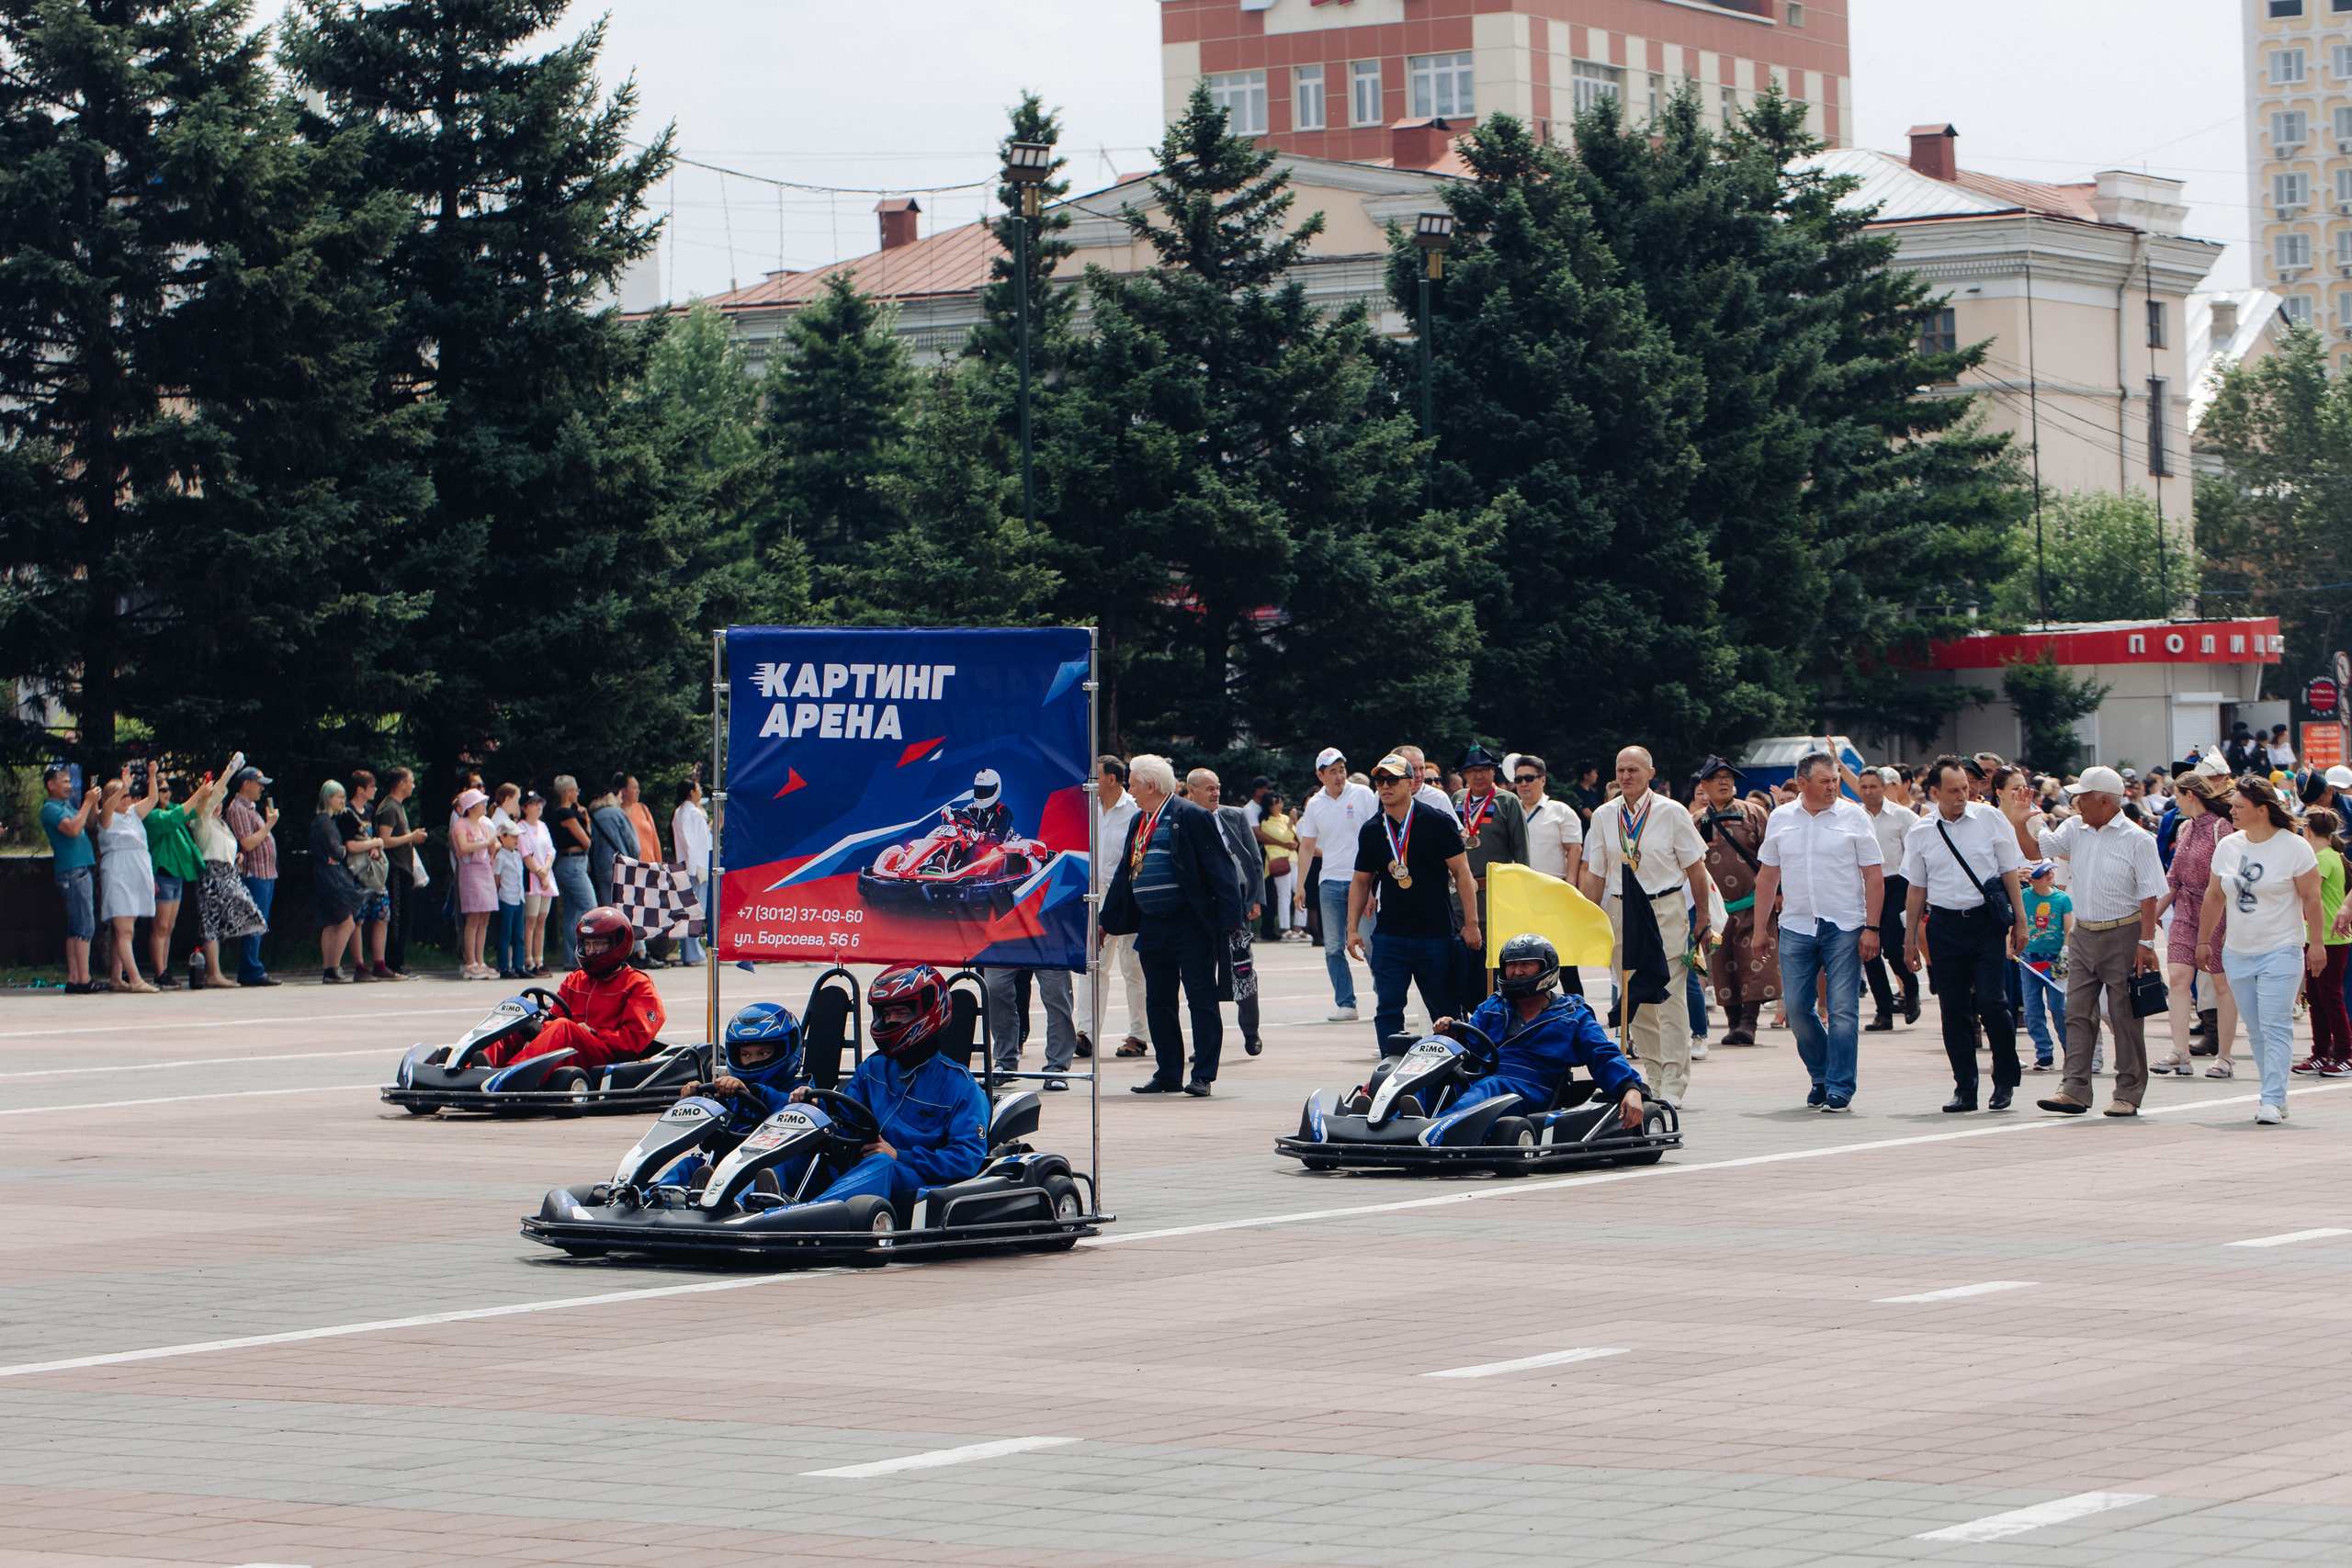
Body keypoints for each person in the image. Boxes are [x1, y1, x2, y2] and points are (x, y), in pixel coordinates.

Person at [781, 963, 989, 1212]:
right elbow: (844, 1117)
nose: (890, 1020)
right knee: (792, 1153)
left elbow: (967, 1157)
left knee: (881, 1164)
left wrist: (901, 1155)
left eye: (899, 1012)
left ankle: (811, 1214)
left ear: (928, 1011)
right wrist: (815, 1106)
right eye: (885, 1013)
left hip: (914, 1177)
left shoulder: (960, 1086)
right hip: (859, 1168)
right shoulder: (872, 1069)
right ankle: (747, 1207)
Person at [1099, 754, 1247, 1097]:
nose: (1130, 791)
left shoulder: (1191, 816)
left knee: (1200, 998)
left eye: (1133, 784)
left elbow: (1220, 868)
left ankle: (1203, 1075)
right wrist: (1107, 921)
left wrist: (1231, 920)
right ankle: (1167, 1073)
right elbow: (1124, 873)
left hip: (1190, 922)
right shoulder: (1140, 821)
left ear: (1150, 786)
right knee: (1158, 1000)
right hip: (1152, 924)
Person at [1749, 750, 1884, 1112]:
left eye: (1835, 780)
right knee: (1795, 1008)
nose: (1832, 787)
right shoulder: (1781, 818)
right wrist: (1760, 929)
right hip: (1796, 925)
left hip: (1845, 925)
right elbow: (1768, 876)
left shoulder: (1854, 817)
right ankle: (1821, 1075)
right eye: (1824, 781)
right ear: (1802, 783)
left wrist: (1872, 928)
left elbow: (1873, 875)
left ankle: (1839, 1086)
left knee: (1842, 1009)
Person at [2030, 766, 2165, 1118]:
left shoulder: (2138, 839)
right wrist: (2019, 818)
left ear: (2104, 801)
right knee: (2076, 1011)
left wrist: (2146, 943)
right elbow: (2037, 847)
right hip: (2084, 932)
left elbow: (2149, 895)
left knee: (2124, 1015)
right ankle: (2074, 1089)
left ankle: (2128, 1092)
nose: (2076, 803)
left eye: (2083, 797)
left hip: (2124, 933)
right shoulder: (2075, 828)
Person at [1580, 747, 1712, 1108]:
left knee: (1668, 993)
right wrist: (1588, 918)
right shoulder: (1604, 815)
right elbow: (1596, 873)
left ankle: (1674, 1081)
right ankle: (1653, 1076)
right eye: (1620, 770)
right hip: (1621, 909)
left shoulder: (1672, 812)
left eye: (1633, 770)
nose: (1626, 776)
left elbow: (1696, 868)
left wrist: (1702, 917)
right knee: (1634, 996)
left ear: (1650, 773)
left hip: (1664, 906)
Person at [1903, 756, 2030, 1114]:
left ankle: (2004, 1078)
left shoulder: (1990, 819)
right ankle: (1965, 1088)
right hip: (1944, 927)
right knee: (1954, 1009)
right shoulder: (1921, 831)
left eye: (1965, 788)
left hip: (1985, 923)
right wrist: (1909, 939)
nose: (1963, 796)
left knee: (1992, 1003)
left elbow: (2009, 872)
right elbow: (1916, 888)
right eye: (1954, 790)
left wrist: (2020, 921)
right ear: (1934, 792)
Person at [2195, 775, 2325, 1124]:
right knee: (2255, 1029)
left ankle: (2270, 1099)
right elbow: (2214, 895)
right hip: (2238, 951)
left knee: (2275, 1025)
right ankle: (2276, 1094)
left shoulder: (2294, 847)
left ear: (2262, 810)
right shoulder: (2228, 846)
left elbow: (2312, 898)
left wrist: (2316, 944)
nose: (2232, 812)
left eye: (2239, 806)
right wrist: (2204, 940)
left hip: (2282, 948)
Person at [1428, 933, 1647, 1130]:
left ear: (1546, 968)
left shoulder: (1572, 1015)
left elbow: (1603, 1053)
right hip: (1483, 1081)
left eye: (1526, 964)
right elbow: (1467, 1047)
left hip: (1533, 1089)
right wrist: (1451, 1036)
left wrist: (1630, 1088)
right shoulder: (1492, 1007)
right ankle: (1410, 1119)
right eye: (1511, 964)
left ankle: (1438, 1130)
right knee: (1434, 1072)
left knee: (1491, 1086)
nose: (1516, 971)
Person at [1350, 754, 1483, 1058]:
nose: (1385, 786)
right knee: (1388, 1008)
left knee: (1445, 1009)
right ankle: (1391, 1067)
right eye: (1380, 780)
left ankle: (1457, 1066)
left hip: (1435, 934)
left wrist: (1472, 924)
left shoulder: (1437, 822)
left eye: (1392, 779)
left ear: (1411, 783)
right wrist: (1352, 929)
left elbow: (1462, 873)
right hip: (1390, 935)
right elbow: (1360, 882)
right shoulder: (1372, 829)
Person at [481, 908, 668, 1069]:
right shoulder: (576, 979)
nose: (591, 951)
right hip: (572, 1050)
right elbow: (555, 1018)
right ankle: (478, 1065)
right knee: (518, 1019)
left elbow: (633, 1040)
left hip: (608, 1056)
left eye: (598, 944)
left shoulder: (638, 984)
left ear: (617, 942)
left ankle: (513, 1072)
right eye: (588, 944)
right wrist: (535, 1024)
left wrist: (593, 1033)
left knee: (564, 1027)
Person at [659, 1002, 809, 1190]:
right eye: (746, 1055)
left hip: (776, 1175)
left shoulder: (801, 1092)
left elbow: (801, 1109)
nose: (753, 1061)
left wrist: (755, 1092)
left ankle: (742, 1202)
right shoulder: (731, 1095)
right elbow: (687, 1136)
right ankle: (654, 1197)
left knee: (771, 1168)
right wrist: (695, 1101)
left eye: (763, 1053)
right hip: (731, 1169)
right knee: (690, 1165)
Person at [2154, 772, 2237, 1077]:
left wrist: (2232, 923)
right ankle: (2180, 1051)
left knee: (2221, 984)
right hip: (2185, 911)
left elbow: (2231, 879)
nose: (2175, 803)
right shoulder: (2184, 828)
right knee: (2178, 978)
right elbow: (2173, 879)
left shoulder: (2221, 827)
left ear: (2190, 795)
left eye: (2177, 796)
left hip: (2218, 913)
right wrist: (2147, 922)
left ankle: (2225, 1057)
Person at [1691, 756, 1776, 1044]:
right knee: (1722, 963)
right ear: (1704, 785)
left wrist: (1778, 892)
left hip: (1754, 902)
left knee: (1754, 962)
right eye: (1717, 778)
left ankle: (1749, 1024)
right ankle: (1733, 1024)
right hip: (1715, 907)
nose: (1724, 782)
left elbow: (1773, 857)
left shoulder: (1755, 813)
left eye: (1728, 777)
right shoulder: (1697, 821)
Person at [1295, 747, 1380, 1022]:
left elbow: (1377, 834)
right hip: (1329, 882)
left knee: (1369, 942)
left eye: (1342, 769)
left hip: (1362, 881)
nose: (1339, 776)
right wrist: (1300, 885)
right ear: (1320, 775)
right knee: (1333, 947)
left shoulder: (1363, 794)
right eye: (1332, 771)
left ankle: (1386, 997)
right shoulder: (1315, 804)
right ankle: (1346, 1004)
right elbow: (1307, 846)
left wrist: (1373, 885)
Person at [1192, 768, 1266, 1057]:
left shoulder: (1235, 816)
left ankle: (1251, 1032)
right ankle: (1207, 1045)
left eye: (1218, 787)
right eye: (1209, 788)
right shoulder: (1185, 819)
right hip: (1202, 908)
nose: (1216, 793)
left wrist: (1256, 900)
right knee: (1201, 977)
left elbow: (1254, 860)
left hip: (1236, 904)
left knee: (1243, 970)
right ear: (1192, 791)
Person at [1452, 744, 1530, 1002]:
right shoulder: (1457, 799)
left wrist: (1521, 898)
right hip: (1458, 896)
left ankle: (1497, 1012)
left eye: (1484, 769)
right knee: (1460, 961)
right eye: (1472, 770)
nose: (1478, 775)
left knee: (1493, 962)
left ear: (1493, 772)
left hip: (1493, 896)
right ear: (1464, 774)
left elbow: (1521, 852)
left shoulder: (1507, 801)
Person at [1083, 755, 1146, 1059]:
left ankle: (1138, 1035)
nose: (1090, 780)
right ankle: (1085, 1034)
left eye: (1095, 775)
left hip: (1128, 894)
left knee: (1134, 966)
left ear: (1111, 779)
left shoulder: (1135, 810)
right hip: (1095, 893)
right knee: (1092, 964)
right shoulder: (1088, 808)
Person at [1854, 766, 1920, 1031]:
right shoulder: (1854, 816)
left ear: (1884, 788)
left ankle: (1910, 991)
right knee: (1869, 952)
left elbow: (1916, 854)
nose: (1868, 791)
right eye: (1863, 787)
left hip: (1897, 885)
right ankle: (1883, 1012)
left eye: (1873, 786)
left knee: (1893, 948)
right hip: (1864, 887)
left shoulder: (1903, 816)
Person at [187, 765, 263, 987]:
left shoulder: (221, 823)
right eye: (215, 801)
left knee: (230, 919)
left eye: (221, 802)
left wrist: (235, 857)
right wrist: (228, 773)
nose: (218, 805)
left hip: (227, 873)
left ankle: (216, 971)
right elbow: (209, 805)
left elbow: (224, 846)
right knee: (210, 922)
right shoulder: (200, 820)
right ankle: (214, 973)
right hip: (211, 873)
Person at [96, 768, 161, 992]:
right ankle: (135, 979)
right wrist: (122, 786)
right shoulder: (105, 817)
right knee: (125, 930)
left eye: (128, 795)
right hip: (119, 871)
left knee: (124, 930)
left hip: (137, 870)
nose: (127, 798)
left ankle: (117, 978)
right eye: (123, 795)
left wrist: (152, 775)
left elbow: (153, 799)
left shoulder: (133, 813)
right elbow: (107, 809)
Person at [2298, 807, 2351, 1077]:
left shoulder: (2322, 859)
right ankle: (2320, 1053)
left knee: (2330, 998)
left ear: (2307, 831)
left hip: (2329, 939)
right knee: (2317, 999)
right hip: (2319, 937)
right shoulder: (2331, 855)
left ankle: (2344, 1055)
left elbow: (2306, 893)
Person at [138, 774, 203, 988]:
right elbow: (174, 817)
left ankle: (164, 970)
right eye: (163, 790)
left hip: (176, 877)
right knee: (160, 927)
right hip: (162, 876)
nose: (168, 793)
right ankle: (159, 973)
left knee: (169, 927)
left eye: (168, 789)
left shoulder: (170, 808)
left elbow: (194, 812)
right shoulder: (151, 815)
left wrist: (205, 794)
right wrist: (198, 795)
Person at [40, 766, 100, 993]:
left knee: (76, 927)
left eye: (69, 781)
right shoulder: (50, 809)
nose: (69, 785)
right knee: (84, 925)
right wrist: (86, 802)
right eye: (64, 782)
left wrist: (93, 804)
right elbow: (73, 829)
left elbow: (90, 823)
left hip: (76, 870)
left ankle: (75, 979)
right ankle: (84, 979)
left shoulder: (66, 806)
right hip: (73, 871)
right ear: (51, 785)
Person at [340, 773, 403, 982]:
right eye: (372, 786)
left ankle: (379, 963)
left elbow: (374, 836)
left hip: (372, 870)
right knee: (357, 919)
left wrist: (375, 848)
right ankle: (359, 966)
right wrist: (374, 844)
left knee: (382, 915)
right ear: (360, 789)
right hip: (357, 872)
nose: (376, 789)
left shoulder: (369, 810)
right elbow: (350, 845)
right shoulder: (347, 813)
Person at [223, 766, 280, 987]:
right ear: (246, 783)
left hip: (266, 872)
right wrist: (269, 826)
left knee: (259, 922)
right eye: (258, 784)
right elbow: (247, 843)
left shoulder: (250, 808)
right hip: (254, 872)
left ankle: (252, 967)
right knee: (254, 922)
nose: (262, 788)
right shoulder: (238, 809)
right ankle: (251, 969)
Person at [371, 768, 428, 976]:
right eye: (411, 781)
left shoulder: (398, 807)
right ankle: (392, 963)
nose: (414, 785)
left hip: (403, 868)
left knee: (402, 917)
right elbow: (384, 840)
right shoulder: (389, 808)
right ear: (401, 783)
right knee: (395, 918)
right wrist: (411, 837)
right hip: (394, 869)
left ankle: (398, 962)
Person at [986, 963, 1077, 1088]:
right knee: (994, 987)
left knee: (1058, 994)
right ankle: (1005, 1061)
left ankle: (1056, 1068)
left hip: (1051, 949)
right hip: (1003, 949)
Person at [310, 781, 365, 984]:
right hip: (331, 877)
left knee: (331, 923)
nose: (343, 801)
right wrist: (340, 852)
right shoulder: (324, 821)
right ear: (328, 798)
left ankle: (329, 969)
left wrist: (338, 853)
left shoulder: (325, 820)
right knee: (346, 923)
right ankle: (333, 967)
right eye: (339, 797)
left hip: (325, 875)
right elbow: (338, 851)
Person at [2018, 863, 2071, 1072]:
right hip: (2029, 959)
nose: (2050, 875)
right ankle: (2044, 1054)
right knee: (2032, 1009)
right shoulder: (2023, 897)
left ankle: (2070, 1050)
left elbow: (2069, 928)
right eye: (2043, 873)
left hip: (2055, 959)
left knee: (2059, 1007)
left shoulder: (2062, 898)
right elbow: (2014, 922)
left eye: (2051, 870)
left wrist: (2066, 952)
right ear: (2031, 880)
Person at [546, 774, 595, 968]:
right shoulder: (566, 814)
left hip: (574, 862)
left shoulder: (570, 813)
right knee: (589, 906)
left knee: (572, 911)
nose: (577, 793)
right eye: (575, 790)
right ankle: (584, 953)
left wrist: (586, 818)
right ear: (566, 792)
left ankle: (572, 958)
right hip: (573, 863)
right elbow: (586, 841)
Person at [450, 788, 498, 979]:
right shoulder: (460, 825)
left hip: (486, 871)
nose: (485, 805)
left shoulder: (483, 825)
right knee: (473, 919)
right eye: (481, 803)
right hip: (471, 874)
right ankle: (470, 962)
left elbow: (491, 850)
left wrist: (493, 844)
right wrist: (486, 843)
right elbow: (463, 847)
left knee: (484, 918)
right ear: (471, 807)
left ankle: (480, 961)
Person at [671, 780, 711, 966]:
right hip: (696, 868)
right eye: (698, 788)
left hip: (688, 866)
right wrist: (697, 868)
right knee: (696, 910)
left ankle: (689, 952)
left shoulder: (680, 812)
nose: (700, 790)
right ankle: (693, 954)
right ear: (691, 792)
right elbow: (693, 844)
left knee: (687, 910)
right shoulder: (692, 812)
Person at [517, 792, 556, 976]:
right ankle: (528, 960)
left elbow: (550, 851)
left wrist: (546, 870)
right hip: (533, 879)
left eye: (540, 802)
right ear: (524, 808)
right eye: (533, 803)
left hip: (546, 878)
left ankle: (539, 960)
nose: (539, 806)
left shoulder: (543, 826)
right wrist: (541, 874)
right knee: (530, 920)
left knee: (541, 920)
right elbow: (526, 855)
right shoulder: (521, 827)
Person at [1260, 792, 1302, 939]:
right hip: (1279, 860)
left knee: (1300, 892)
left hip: (1293, 859)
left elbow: (1297, 836)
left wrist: (1291, 823)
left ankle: (1299, 928)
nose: (1279, 805)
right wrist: (1291, 823)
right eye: (1275, 803)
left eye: (1280, 802)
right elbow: (1285, 837)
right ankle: (1286, 929)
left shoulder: (1284, 818)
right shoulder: (1266, 822)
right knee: (1284, 895)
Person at [492, 799, 526, 980]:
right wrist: (497, 895)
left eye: (517, 837)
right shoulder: (500, 857)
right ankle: (504, 966)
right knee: (505, 935)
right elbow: (497, 878)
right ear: (502, 837)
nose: (516, 840)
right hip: (506, 898)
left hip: (518, 898)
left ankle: (519, 965)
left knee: (518, 934)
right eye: (513, 837)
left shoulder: (518, 856)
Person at [588, 783, 637, 909]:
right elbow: (632, 842)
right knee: (626, 908)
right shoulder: (617, 813)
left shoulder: (591, 817)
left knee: (610, 910)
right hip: (621, 865)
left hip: (600, 868)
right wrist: (635, 861)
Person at [950, 769, 1014, 842]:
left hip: (992, 847)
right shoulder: (973, 807)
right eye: (979, 791)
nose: (982, 795)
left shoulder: (1003, 812)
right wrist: (952, 816)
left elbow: (999, 837)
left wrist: (980, 837)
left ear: (996, 789)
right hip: (974, 845)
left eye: (985, 791)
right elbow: (963, 819)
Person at [616, 773, 662, 863]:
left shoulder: (642, 808)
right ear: (623, 791)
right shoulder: (617, 814)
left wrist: (659, 863)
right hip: (630, 866)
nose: (638, 791)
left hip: (650, 865)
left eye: (638, 788)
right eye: (634, 788)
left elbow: (655, 839)